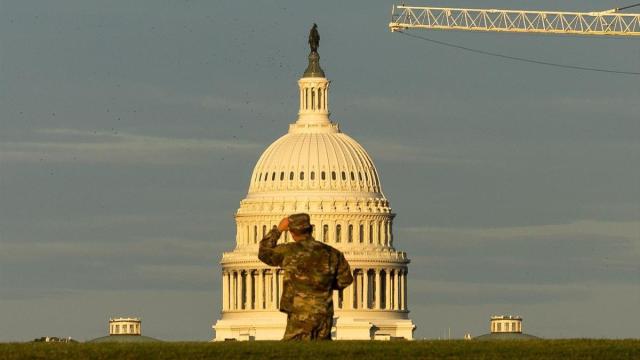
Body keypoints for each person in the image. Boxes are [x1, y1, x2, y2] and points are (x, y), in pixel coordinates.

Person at [258, 213, 353, 340]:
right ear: (310, 230)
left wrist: (278, 230)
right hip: (324, 312)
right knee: (321, 351)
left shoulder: (288, 251)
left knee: (294, 351)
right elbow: (345, 280)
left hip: (299, 313)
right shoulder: (332, 253)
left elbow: (264, 252)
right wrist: (324, 286)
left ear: (291, 232)